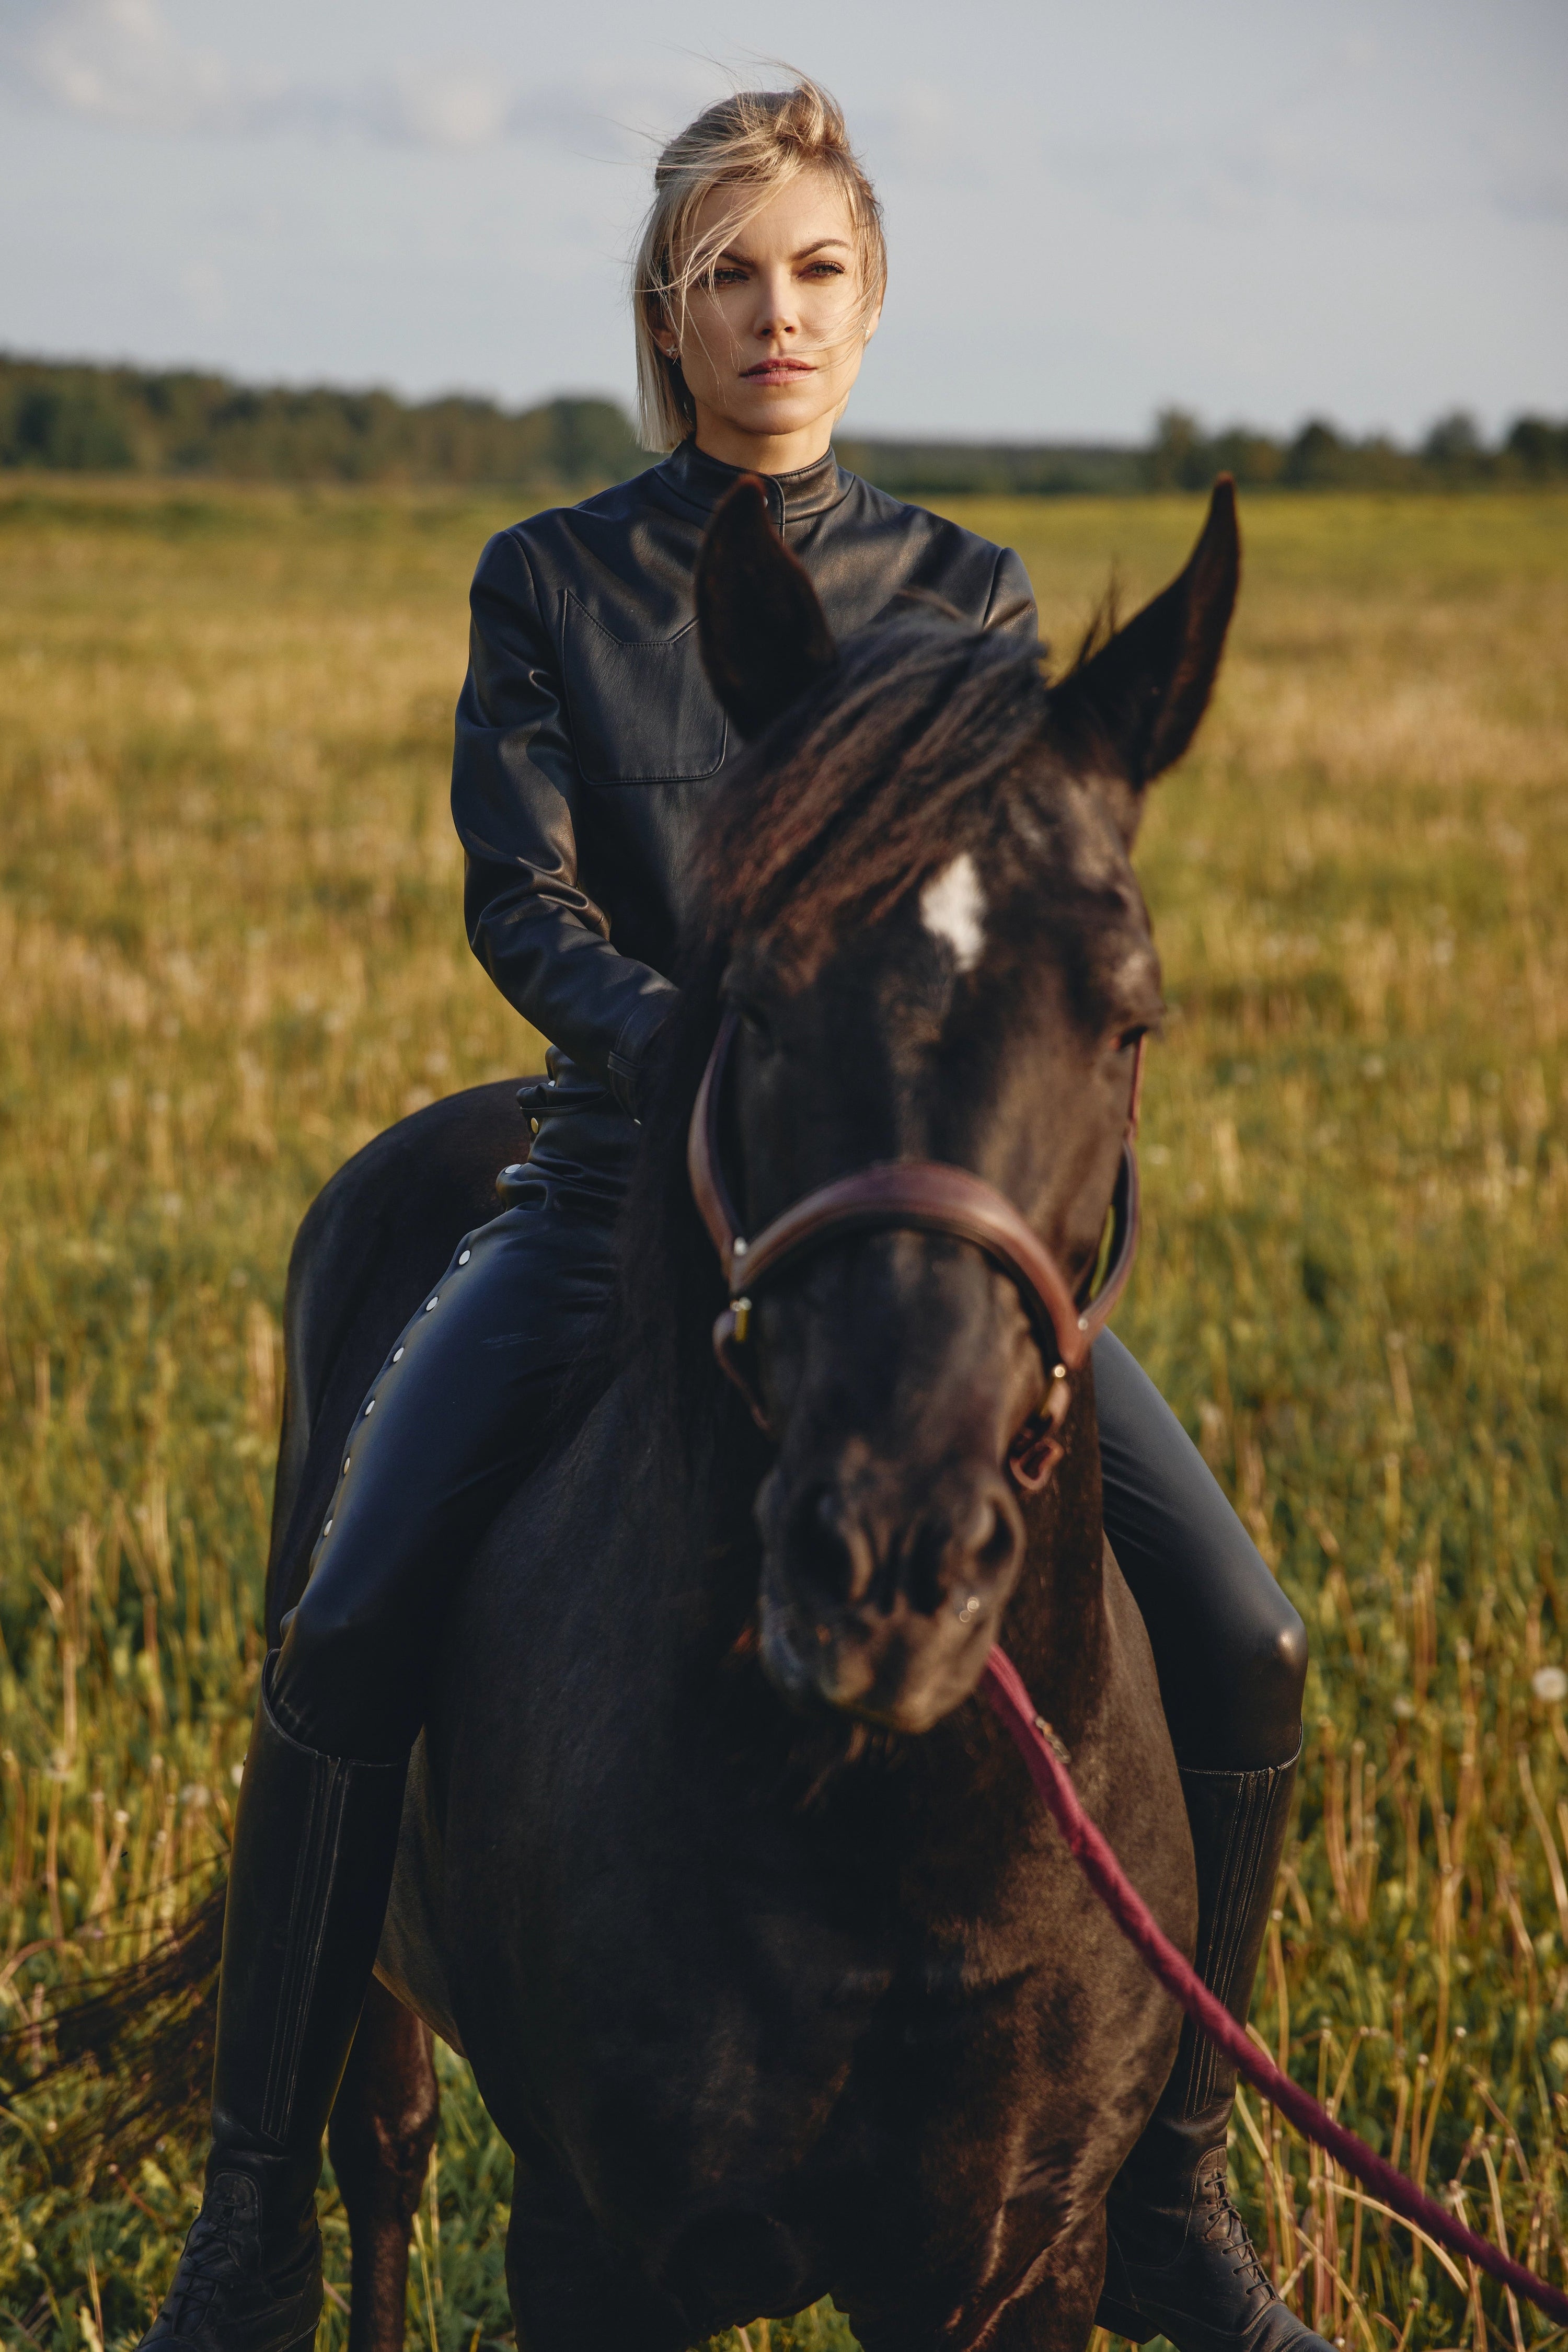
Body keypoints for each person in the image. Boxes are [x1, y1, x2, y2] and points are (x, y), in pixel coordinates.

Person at [141, 80, 1320, 2352]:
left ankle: (1173, 2190)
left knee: (1248, 1643)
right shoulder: (554, 582)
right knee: (346, 1627)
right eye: (724, 276)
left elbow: (988, 946)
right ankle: (256, 2215)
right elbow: (521, 897)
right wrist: (707, 1032)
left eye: (813, 272)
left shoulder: (964, 597)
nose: (771, 315)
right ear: (665, 318)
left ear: (869, 307)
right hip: (614, 1196)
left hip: (891, 1209)